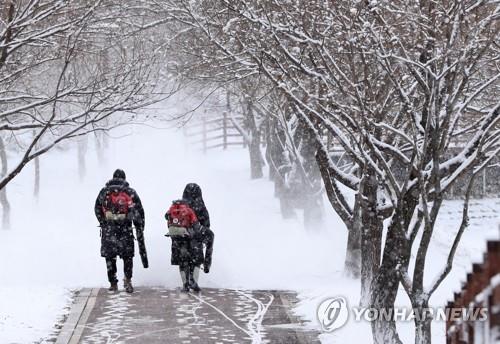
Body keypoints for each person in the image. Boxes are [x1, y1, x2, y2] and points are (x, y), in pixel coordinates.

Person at [94, 169, 145, 293]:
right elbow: (139, 210)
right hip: (125, 229)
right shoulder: (130, 192)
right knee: (127, 256)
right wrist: (140, 226)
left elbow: (97, 208)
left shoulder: (105, 191)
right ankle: (127, 281)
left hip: (109, 230)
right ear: (124, 178)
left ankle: (113, 282)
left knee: (110, 257)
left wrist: (103, 222)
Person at [165, 183, 214, 292]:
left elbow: (168, 219)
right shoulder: (200, 206)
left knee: (182, 261)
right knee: (196, 260)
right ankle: (196, 277)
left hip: (179, 237)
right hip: (195, 238)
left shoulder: (178, 207)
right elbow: (206, 223)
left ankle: (185, 283)